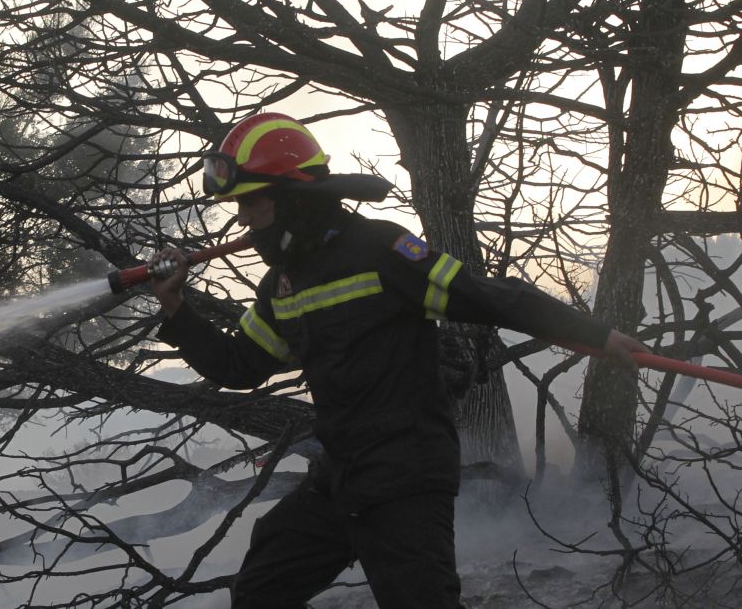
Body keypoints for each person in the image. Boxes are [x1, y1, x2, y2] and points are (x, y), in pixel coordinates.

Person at [150, 112, 647, 608]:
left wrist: (598, 335)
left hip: (405, 479)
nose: (242, 218)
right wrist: (176, 307)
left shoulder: (381, 250)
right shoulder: (282, 283)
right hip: (342, 479)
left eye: (250, 202)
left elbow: (490, 297)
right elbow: (240, 365)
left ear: (291, 195)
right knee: (261, 591)